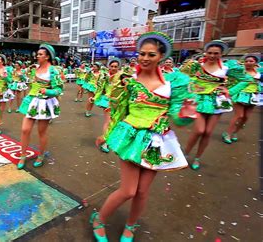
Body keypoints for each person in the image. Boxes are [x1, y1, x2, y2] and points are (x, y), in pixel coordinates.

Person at [92, 32, 196, 242]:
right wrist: (107, 135)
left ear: (161, 56)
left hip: (157, 141)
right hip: (130, 137)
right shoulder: (128, 82)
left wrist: (187, 113)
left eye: (151, 54)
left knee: (142, 192)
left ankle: (131, 225)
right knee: (129, 190)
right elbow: (119, 112)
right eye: (141, 54)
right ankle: (98, 219)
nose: (145, 58)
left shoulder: (172, 84)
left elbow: (177, 116)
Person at [180, 40, 246, 170]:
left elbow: (245, 79)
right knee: (199, 130)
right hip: (199, 101)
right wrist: (192, 88)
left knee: (208, 132)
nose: (212, 55)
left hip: (217, 102)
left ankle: (197, 158)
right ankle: (185, 153)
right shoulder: (197, 66)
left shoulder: (226, 68)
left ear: (221, 54)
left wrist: (229, 91)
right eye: (210, 52)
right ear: (206, 53)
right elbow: (184, 78)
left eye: (216, 53)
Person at [17, 44, 63, 169]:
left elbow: (59, 89)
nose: (37, 56)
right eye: (37, 54)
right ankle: (22, 155)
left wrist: (48, 92)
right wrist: (22, 77)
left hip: (45, 103)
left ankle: (41, 155)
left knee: (41, 132)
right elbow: (31, 83)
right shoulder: (34, 69)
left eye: (40, 54)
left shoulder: (53, 71)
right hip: (32, 101)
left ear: (47, 57)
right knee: (25, 129)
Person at [222, 53, 263, 143]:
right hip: (240, 95)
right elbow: (227, 71)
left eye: (251, 61)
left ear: (256, 63)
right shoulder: (240, 72)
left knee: (246, 117)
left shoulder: (259, 73)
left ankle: (235, 132)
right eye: (246, 61)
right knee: (239, 115)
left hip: (253, 96)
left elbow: (260, 84)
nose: (248, 63)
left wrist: (259, 89)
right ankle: (227, 134)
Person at [92, 58, 121, 153]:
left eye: (116, 66)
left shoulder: (122, 77)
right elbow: (100, 89)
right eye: (112, 66)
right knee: (108, 121)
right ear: (108, 66)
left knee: (115, 122)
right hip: (107, 101)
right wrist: (95, 98)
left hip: (119, 102)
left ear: (119, 67)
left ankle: (108, 139)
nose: (113, 68)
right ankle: (105, 142)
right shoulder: (105, 76)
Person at [0, 54, 14, 133]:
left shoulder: (6, 70)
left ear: (2, 62)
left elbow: (11, 81)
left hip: (2, 92)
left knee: (0, 111)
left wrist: (6, 77)